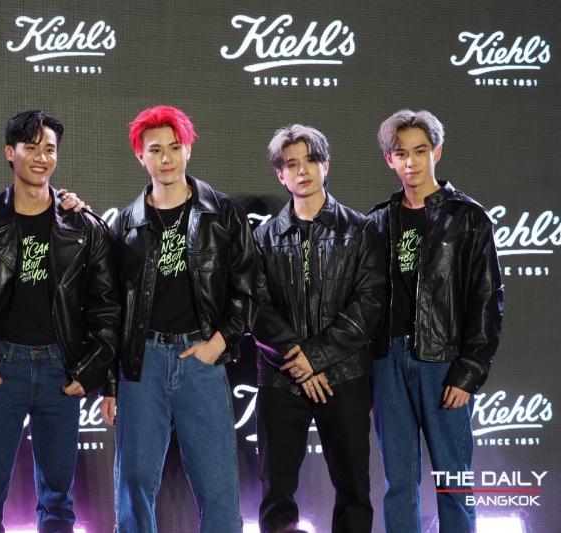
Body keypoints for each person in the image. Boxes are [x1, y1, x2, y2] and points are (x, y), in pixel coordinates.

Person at [0, 110, 120, 533]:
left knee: (58, 500)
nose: (41, 157)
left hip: (61, 369)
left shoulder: (82, 225)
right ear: (9, 153)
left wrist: (89, 371)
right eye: (31, 147)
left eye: (49, 149)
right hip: (2, 366)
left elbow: (107, 307)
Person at [100, 105, 257, 533]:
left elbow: (249, 288)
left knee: (217, 484)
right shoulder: (127, 223)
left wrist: (218, 343)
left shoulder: (222, 213)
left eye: (174, 147)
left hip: (200, 358)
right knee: (133, 481)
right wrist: (110, 383)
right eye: (155, 149)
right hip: (142, 363)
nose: (166, 157)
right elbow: (111, 309)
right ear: (141, 156)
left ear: (188, 149)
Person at [368, 109, 504, 533]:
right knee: (398, 482)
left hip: (443, 361)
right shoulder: (377, 221)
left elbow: (487, 300)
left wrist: (468, 372)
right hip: (387, 362)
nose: (411, 162)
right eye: (401, 153)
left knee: (453, 480)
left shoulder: (468, 218)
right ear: (389, 159)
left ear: (437, 152)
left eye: (420, 151)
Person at [252, 124, 384, 533]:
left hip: (344, 375)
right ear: (280, 174)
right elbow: (256, 308)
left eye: (311, 160)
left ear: (326, 165)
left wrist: (315, 358)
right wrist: (298, 361)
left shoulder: (361, 230)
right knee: (276, 491)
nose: (302, 170)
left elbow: (369, 305)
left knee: (354, 488)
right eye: (291, 164)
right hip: (282, 379)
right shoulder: (262, 237)